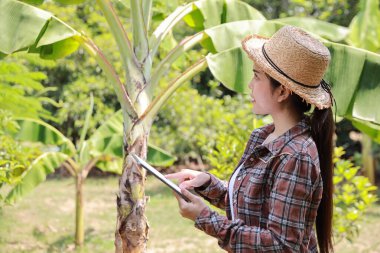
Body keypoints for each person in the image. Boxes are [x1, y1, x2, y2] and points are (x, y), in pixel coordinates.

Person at [165, 25, 335, 253]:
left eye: (256, 77)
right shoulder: (263, 137)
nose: (249, 85)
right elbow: (253, 204)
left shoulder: (296, 156)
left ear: (282, 91)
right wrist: (207, 183)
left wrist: (205, 218)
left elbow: (282, 245)